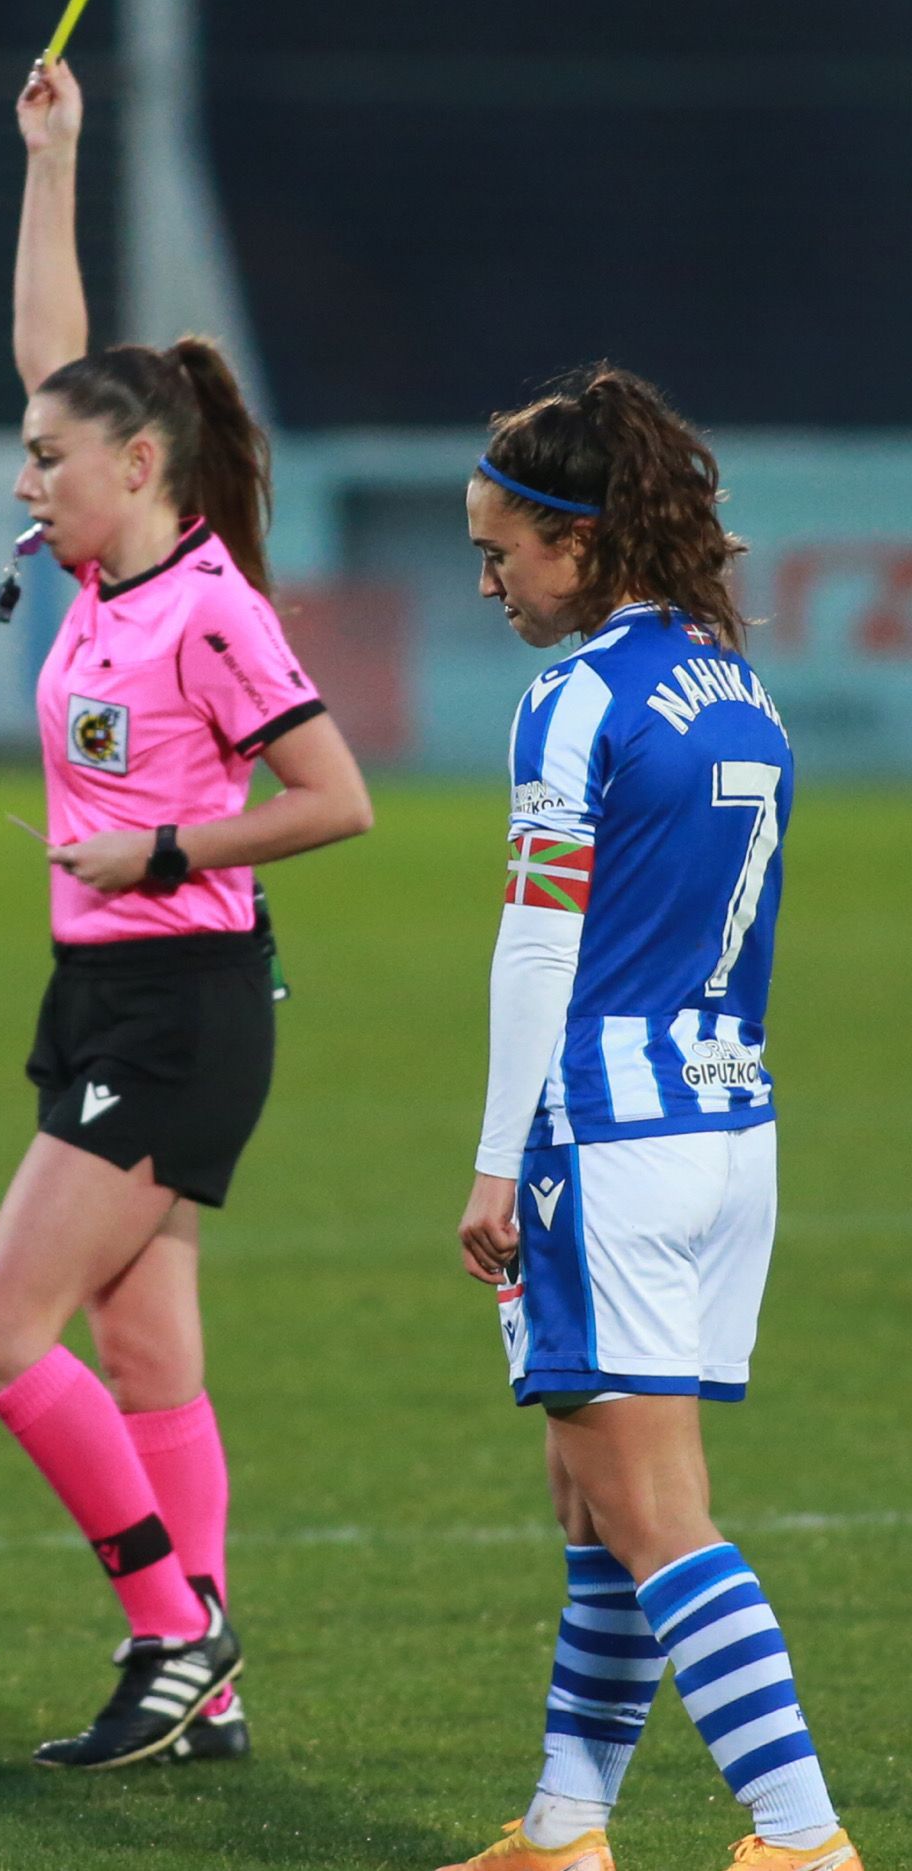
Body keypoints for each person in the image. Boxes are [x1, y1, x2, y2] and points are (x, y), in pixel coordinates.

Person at [0, 57, 374, 1771]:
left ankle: (173, 1632)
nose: (27, 477)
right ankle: (218, 1683)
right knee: (143, 1335)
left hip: (180, 997)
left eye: (54, 459)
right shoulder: (106, 569)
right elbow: (52, 359)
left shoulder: (209, 610)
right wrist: (51, 163)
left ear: (141, 464)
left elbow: (336, 796)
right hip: (111, 990)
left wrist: (172, 847)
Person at [437, 368, 857, 1871]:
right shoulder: (736, 682)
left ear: (587, 540)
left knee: (657, 1513)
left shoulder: (579, 697)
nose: (486, 580)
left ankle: (801, 1837)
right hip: (728, 1125)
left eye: (505, 552)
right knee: (593, 1496)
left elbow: (540, 944)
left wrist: (499, 1158)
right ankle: (566, 1827)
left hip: (607, 1135)